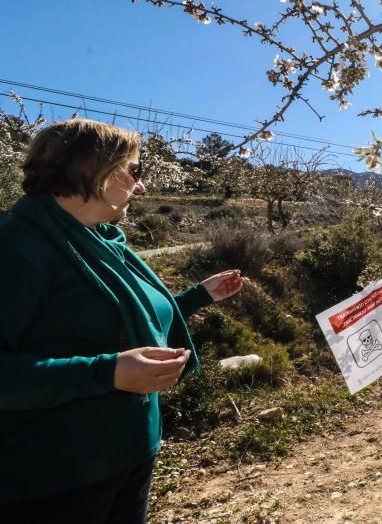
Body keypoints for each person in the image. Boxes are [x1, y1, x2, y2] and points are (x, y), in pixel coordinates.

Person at [0, 119, 245, 523]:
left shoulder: (103, 241)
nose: (142, 185)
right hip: (53, 480)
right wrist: (107, 373)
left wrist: (199, 296)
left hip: (129, 458)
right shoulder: (18, 247)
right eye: (135, 170)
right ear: (92, 170)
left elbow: (125, 322)